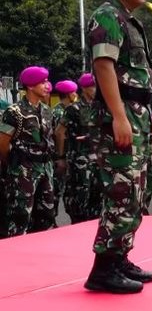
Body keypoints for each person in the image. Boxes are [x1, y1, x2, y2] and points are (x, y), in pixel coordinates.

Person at [84, 0, 152, 293]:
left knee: (137, 191)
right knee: (121, 190)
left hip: (136, 115)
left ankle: (119, 257)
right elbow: (103, 67)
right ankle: (103, 269)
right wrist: (119, 116)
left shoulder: (128, 20)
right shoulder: (107, 16)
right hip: (122, 115)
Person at [0, 66, 55, 238]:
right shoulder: (14, 111)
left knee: (47, 213)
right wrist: (12, 164)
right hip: (23, 168)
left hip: (45, 167)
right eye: (43, 82)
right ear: (30, 86)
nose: (47, 85)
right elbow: (2, 143)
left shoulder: (47, 110)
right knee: (20, 215)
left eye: (47, 81)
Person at [54, 74, 103, 224]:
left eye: (96, 86)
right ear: (83, 88)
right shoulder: (74, 109)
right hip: (79, 158)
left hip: (98, 158)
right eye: (92, 86)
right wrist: (61, 157)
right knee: (80, 196)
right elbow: (59, 132)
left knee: (98, 196)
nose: (94, 90)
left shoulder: (99, 107)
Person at [52, 80, 79, 225]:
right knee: (58, 190)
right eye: (74, 92)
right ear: (69, 94)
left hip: (69, 156)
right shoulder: (60, 112)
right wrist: (60, 156)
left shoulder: (64, 109)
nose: (76, 94)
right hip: (61, 157)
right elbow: (58, 135)